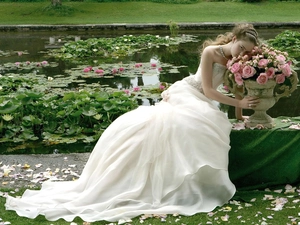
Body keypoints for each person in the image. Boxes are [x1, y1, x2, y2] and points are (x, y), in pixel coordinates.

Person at [5, 23, 260, 223]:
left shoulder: (238, 62)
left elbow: (237, 89)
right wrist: (238, 105)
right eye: (241, 47)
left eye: (247, 51)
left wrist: (240, 115)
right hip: (190, 92)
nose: (242, 53)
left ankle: (195, 180)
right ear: (233, 39)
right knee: (183, 124)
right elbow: (207, 88)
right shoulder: (210, 52)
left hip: (207, 99)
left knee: (201, 123)